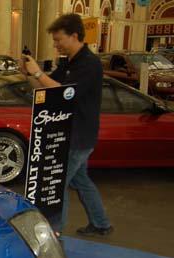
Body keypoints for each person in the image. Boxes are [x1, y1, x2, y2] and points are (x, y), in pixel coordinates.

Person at [20, 13, 112, 237]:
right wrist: (28, 74)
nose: (55, 44)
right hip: (70, 133)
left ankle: (55, 232)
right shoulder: (70, 62)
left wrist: (38, 72)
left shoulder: (89, 64)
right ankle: (101, 224)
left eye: (58, 39)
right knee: (81, 181)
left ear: (74, 36)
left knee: (57, 184)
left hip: (78, 136)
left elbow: (65, 93)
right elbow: (47, 88)